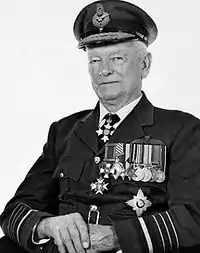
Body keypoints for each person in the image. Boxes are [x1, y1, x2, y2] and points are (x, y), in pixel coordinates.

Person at [1, 0, 200, 252]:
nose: (104, 71)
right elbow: (16, 210)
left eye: (116, 58)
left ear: (145, 64)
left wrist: (117, 237)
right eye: (94, 61)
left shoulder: (183, 129)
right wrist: (47, 226)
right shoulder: (63, 131)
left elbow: (193, 216)